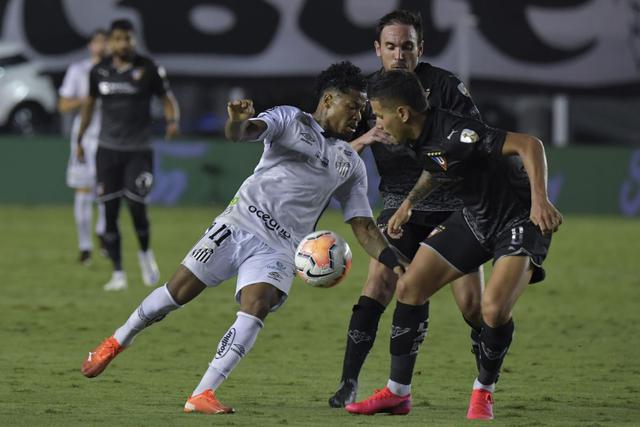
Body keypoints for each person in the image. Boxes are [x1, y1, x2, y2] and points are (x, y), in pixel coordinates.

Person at [80, 61, 407, 414]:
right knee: (175, 295)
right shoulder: (289, 120)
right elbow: (242, 133)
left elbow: (363, 226)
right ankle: (116, 341)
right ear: (328, 100)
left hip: (280, 249)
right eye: (354, 106)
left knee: (256, 306)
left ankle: (202, 393)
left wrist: (393, 261)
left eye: (362, 109)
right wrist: (237, 120)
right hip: (238, 224)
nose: (359, 116)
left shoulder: (350, 163)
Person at [345, 70, 563, 419]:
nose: (377, 122)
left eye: (380, 114)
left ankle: (483, 392)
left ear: (402, 114)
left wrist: (540, 200)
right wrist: (408, 204)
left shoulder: (459, 132)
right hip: (475, 218)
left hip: (518, 221)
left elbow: (528, 144)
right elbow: (438, 166)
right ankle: (398, 393)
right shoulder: (419, 137)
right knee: (410, 286)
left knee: (491, 309)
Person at [329, 9, 485, 407]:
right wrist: (363, 139)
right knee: (379, 282)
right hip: (399, 202)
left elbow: (471, 143)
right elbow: (330, 150)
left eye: (408, 47)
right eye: (392, 47)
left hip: (455, 206)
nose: (400, 55)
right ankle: (349, 382)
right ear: (377, 49)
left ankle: (485, 383)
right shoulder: (364, 98)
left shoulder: (446, 87)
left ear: (421, 49)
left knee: (473, 307)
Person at [76, 19, 180, 291]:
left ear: (134, 40)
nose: (124, 44)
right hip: (107, 151)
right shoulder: (98, 72)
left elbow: (167, 98)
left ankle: (145, 254)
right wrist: (79, 139)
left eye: (128, 39)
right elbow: (88, 107)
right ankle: (118, 273)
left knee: (136, 207)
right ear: (111, 42)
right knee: (109, 212)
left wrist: (172, 121)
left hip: (138, 151)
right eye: (119, 39)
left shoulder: (148, 68)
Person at [58, 29, 108, 265]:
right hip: (85, 137)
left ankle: (103, 234)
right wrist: (87, 99)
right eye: (98, 41)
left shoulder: (116, 72)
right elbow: (64, 104)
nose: (102, 46)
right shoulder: (78, 71)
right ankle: (85, 246)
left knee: (107, 191)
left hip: (111, 136)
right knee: (83, 191)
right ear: (91, 45)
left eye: (105, 42)